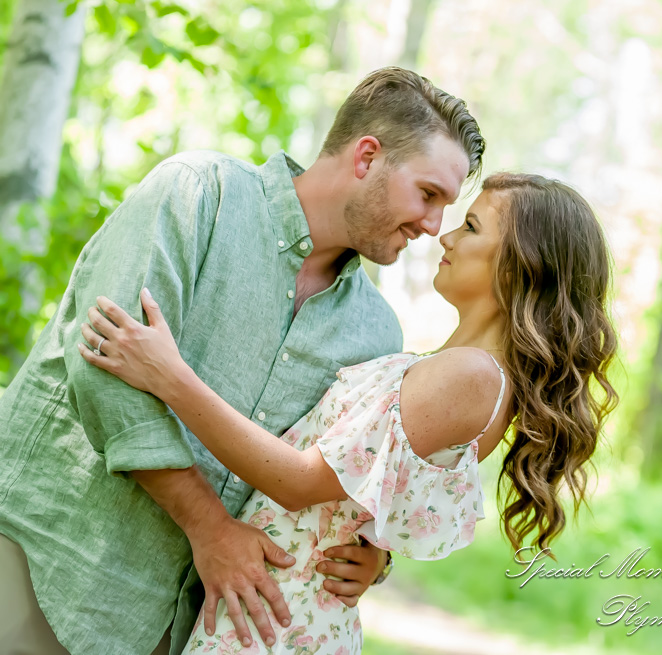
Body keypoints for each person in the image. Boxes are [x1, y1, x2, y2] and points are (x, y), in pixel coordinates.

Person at [0, 67, 485, 655]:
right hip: (47, 561)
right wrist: (210, 528)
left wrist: (370, 559)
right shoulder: (198, 193)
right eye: (428, 194)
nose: (434, 226)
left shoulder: (375, 331)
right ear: (366, 158)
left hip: (177, 621)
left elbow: (340, 477)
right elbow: (104, 372)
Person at [78, 172, 620, 654]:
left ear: (524, 263)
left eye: (472, 227)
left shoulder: (475, 377)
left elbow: (301, 482)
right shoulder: (464, 371)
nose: (446, 236)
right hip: (282, 605)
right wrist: (376, 559)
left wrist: (170, 377)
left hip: (278, 619)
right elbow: (381, 499)